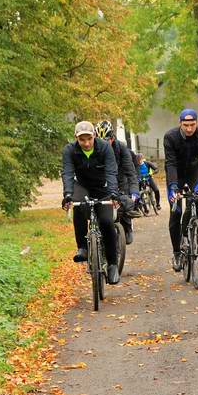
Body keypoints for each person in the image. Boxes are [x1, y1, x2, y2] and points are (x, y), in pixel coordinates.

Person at [61, 121, 121, 284]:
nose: (86, 143)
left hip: (102, 188)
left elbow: (111, 171)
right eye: (82, 140)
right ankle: (83, 247)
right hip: (82, 186)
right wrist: (67, 194)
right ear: (76, 138)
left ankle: (112, 265)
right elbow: (67, 173)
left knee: (107, 222)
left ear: (94, 136)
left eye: (89, 138)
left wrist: (114, 193)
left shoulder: (105, 148)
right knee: (78, 205)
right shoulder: (69, 151)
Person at [164, 108, 198, 271]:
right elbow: (171, 163)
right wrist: (174, 187)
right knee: (176, 212)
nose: (189, 128)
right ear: (180, 123)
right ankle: (176, 253)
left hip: (194, 171)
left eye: (192, 124)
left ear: (197, 123)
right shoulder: (170, 137)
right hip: (176, 174)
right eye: (185, 125)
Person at [95, 121, 141, 245]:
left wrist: (135, 191)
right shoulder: (94, 148)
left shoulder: (121, 148)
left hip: (121, 180)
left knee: (125, 202)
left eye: (106, 140)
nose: (103, 144)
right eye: (100, 140)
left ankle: (127, 226)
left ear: (112, 138)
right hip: (103, 181)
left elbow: (131, 172)